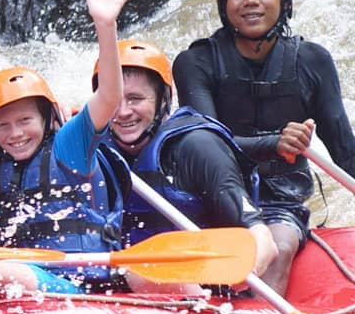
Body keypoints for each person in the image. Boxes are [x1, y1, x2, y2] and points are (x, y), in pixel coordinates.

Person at [173, 0, 355, 295]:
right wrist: (275, 143)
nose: (250, 0)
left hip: (279, 198)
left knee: (278, 247)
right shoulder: (196, 62)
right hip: (213, 192)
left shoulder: (313, 61)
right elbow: (205, 140)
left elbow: (344, 151)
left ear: (283, 1)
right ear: (224, 8)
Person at [0, 0, 135, 294]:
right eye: (3, 126)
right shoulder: (4, 176)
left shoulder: (67, 147)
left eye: (24, 121)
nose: (15, 133)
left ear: (47, 119)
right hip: (32, 280)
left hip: (85, 284)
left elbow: (109, 97)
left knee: (5, 274)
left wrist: (106, 27)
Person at [99, 39, 277, 283]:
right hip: (130, 285)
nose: (122, 112)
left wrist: (249, 269)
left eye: (135, 99)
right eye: (113, 99)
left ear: (163, 100)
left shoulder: (198, 147)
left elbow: (259, 235)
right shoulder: (97, 150)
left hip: (201, 289)